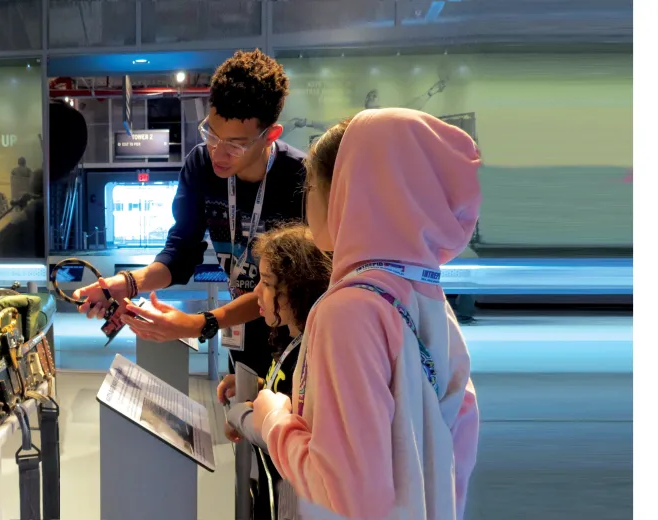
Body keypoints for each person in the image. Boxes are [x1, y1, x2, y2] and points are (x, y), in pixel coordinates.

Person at [250, 108, 482, 520]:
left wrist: (272, 418)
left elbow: (348, 494)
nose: (308, 200)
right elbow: (455, 453)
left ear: (347, 191)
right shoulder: (429, 299)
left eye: (313, 185)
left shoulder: (348, 312)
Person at [72, 49, 307, 378]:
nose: (217, 153)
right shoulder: (200, 166)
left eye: (236, 144)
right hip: (239, 338)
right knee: (237, 417)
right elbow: (181, 253)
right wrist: (126, 283)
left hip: (295, 342)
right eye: (211, 133)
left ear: (270, 134)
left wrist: (201, 323)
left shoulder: (299, 179)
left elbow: (285, 289)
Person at [219, 224, 332, 520]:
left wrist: (239, 417)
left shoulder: (309, 356)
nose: (256, 290)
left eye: (267, 282)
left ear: (295, 292)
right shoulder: (293, 342)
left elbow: (284, 430)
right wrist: (257, 387)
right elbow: (287, 398)